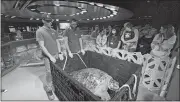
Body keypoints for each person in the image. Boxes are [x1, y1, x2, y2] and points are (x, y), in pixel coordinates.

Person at [36, 13, 63, 100]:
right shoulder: (40, 31)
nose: (49, 23)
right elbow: (42, 46)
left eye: (50, 21)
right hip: (48, 56)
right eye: (47, 21)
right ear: (43, 21)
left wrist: (60, 53)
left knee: (56, 71)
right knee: (49, 73)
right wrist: (50, 56)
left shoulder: (54, 31)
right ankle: (49, 90)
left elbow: (57, 42)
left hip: (56, 54)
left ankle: (55, 85)